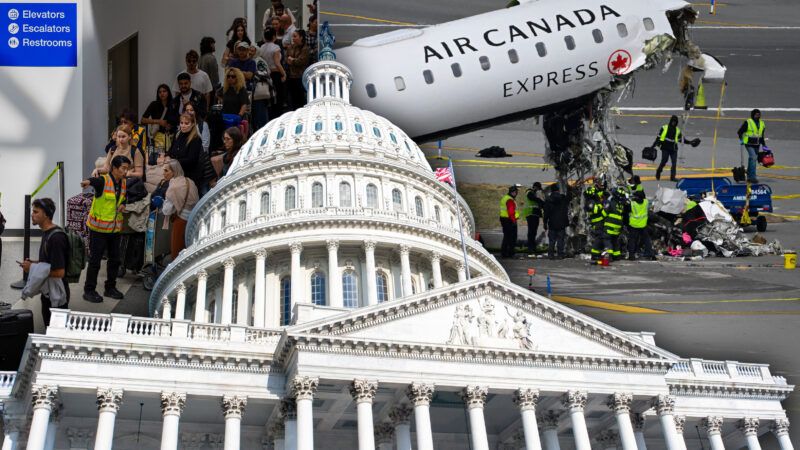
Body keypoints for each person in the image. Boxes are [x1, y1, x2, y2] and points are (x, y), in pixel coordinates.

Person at [80, 155, 130, 303]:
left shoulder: (123, 182)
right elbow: (94, 181)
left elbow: (123, 197)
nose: (125, 171)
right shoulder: (104, 180)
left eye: (127, 169)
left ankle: (110, 288)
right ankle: (89, 290)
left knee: (115, 260)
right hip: (99, 229)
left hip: (114, 229)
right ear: (114, 168)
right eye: (123, 168)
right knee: (95, 261)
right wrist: (88, 182)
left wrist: (123, 204)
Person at [20, 198, 70, 326]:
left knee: (55, 330)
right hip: (49, 292)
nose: (32, 214)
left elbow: (59, 272)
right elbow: (50, 262)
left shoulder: (56, 238)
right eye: (33, 211)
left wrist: (32, 268)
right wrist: (36, 263)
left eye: (36, 212)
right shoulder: (47, 233)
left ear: (46, 214)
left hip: (57, 295)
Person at [160, 160, 199, 259]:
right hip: (194, 218)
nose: (163, 173)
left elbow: (166, 210)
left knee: (177, 253)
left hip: (181, 220)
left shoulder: (174, 187)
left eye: (166, 170)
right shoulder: (190, 181)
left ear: (174, 171)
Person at [653, 115, 699, 182]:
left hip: (673, 149)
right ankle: (658, 171)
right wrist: (653, 146)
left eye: (675, 122)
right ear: (670, 121)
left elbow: (682, 140)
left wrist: (690, 142)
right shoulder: (664, 128)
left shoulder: (677, 130)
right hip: (665, 148)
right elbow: (658, 138)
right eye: (673, 121)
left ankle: (672, 177)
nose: (673, 123)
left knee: (674, 163)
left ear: (676, 122)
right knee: (664, 161)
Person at [167, 113, 204, 189]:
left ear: (192, 124)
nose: (183, 125)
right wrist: (167, 157)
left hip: (188, 176)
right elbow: (171, 151)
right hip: (175, 173)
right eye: (181, 123)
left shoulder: (196, 139)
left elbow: (191, 160)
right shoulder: (178, 134)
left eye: (186, 123)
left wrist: (173, 161)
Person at [259, 28, 287, 118]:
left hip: (265, 75)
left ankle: (269, 117)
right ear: (274, 36)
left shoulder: (261, 48)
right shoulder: (275, 48)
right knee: (277, 97)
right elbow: (277, 63)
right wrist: (284, 73)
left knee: (268, 97)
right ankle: (277, 117)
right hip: (275, 74)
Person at [141, 84, 179, 150]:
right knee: (160, 154)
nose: (162, 93)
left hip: (172, 135)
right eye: (160, 92)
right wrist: (158, 121)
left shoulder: (174, 104)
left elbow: (178, 119)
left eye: (164, 91)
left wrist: (171, 125)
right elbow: (143, 120)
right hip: (158, 136)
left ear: (168, 92)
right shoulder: (154, 104)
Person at [737, 108, 766, 183]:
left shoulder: (762, 123)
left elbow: (762, 136)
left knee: (752, 159)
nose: (758, 116)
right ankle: (753, 177)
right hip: (749, 144)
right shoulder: (748, 122)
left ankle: (749, 175)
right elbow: (739, 132)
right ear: (753, 115)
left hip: (757, 144)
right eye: (756, 115)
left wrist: (764, 145)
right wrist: (741, 139)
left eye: (759, 115)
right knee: (753, 157)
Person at [627, 190, 655, 260]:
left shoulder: (632, 204)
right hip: (643, 225)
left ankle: (631, 256)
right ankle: (650, 254)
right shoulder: (646, 202)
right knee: (647, 240)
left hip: (634, 225)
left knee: (632, 240)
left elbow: (627, 210)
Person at [543, 184, 569, 260]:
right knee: (560, 239)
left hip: (552, 222)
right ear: (558, 190)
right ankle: (560, 254)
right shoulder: (563, 198)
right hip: (561, 222)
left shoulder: (548, 200)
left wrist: (545, 222)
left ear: (551, 190)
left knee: (552, 240)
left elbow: (546, 212)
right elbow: (566, 208)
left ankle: (551, 254)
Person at [286, 30, 310, 110]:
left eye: (295, 36)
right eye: (293, 36)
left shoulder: (305, 48)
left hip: (301, 77)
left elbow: (301, 61)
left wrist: (292, 60)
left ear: (301, 37)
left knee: (300, 99)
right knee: (292, 99)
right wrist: (292, 60)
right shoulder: (290, 47)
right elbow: (287, 59)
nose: (293, 38)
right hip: (291, 76)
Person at [603, 187, 628, 261]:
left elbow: (604, 213)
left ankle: (609, 256)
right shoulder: (621, 205)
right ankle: (617, 256)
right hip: (618, 227)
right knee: (615, 241)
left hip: (610, 225)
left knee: (607, 240)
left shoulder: (610, 203)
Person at [584, 180, 607, 260]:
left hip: (600, 222)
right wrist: (601, 204)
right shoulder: (590, 202)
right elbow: (595, 210)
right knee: (598, 238)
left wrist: (603, 189)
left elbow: (599, 194)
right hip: (596, 223)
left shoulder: (594, 199)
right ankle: (594, 254)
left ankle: (598, 253)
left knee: (601, 238)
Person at [522, 182, 544, 255]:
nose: (538, 190)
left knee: (534, 232)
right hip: (531, 214)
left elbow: (538, 204)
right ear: (535, 187)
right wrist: (540, 201)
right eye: (538, 188)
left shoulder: (535, 194)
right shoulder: (529, 192)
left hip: (535, 215)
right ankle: (530, 248)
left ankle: (533, 247)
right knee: (531, 232)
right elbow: (531, 197)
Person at [499, 185, 519, 258]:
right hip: (509, 220)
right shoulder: (510, 200)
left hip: (504, 219)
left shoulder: (505, 198)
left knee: (507, 236)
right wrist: (514, 221)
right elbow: (511, 212)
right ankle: (510, 253)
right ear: (513, 192)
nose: (516, 194)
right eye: (515, 192)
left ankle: (504, 253)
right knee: (511, 237)